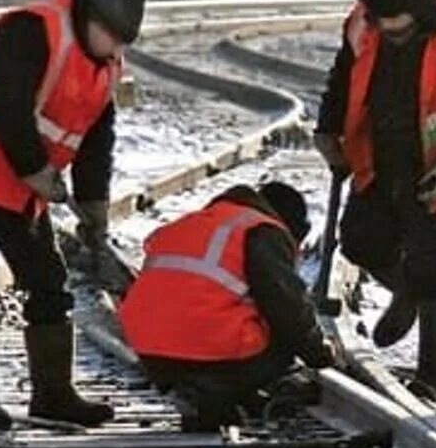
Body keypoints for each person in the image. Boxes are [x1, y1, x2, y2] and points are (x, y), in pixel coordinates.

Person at [0, 0, 147, 428]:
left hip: (14, 183)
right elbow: (3, 103)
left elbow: (95, 139)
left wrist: (94, 206)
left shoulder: (107, 63)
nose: (115, 50)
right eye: (112, 38)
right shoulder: (32, 29)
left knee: (47, 280)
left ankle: (53, 395)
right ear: (91, 19)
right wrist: (37, 172)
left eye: (123, 43)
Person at [313, 0, 436, 402]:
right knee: (361, 241)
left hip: (435, 167)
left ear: (420, 8)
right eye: (384, 25)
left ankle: (434, 381)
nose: (391, 33)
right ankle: (406, 291)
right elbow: (342, 80)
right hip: (376, 157)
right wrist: (327, 130)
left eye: (400, 26)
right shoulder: (362, 25)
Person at [117, 181, 339, 429]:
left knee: (237, 309)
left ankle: (197, 385)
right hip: (211, 349)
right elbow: (287, 306)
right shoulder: (263, 230)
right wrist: (319, 354)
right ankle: (218, 387)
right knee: (281, 333)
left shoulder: (195, 223)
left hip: (150, 351)